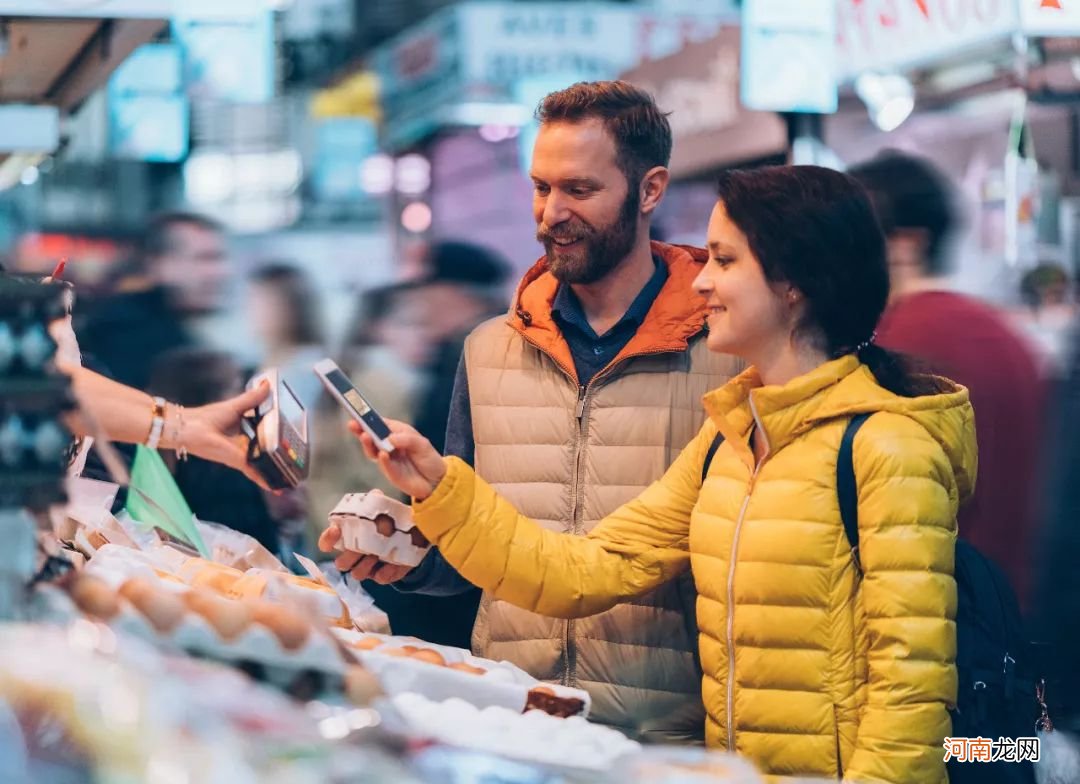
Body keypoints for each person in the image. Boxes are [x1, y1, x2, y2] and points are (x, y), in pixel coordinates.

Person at [348, 165, 973, 783]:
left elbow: (909, 691)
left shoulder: (888, 447)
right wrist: (439, 486)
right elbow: (583, 571)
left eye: (725, 261)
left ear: (794, 284)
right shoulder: (727, 439)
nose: (700, 281)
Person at [325, 80, 744, 744]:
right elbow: (472, 542)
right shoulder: (488, 349)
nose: (552, 213)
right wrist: (411, 561)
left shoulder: (726, 353)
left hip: (664, 739)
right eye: (541, 188)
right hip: (514, 723)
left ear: (650, 190)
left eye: (579, 190)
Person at [849, 151, 1046, 609]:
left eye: (851, 237)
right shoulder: (1006, 335)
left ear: (905, 244)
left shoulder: (895, 345)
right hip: (1015, 622)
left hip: (940, 620)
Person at [76, 211, 229, 390]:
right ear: (160, 264)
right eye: (205, 258)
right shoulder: (126, 336)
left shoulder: (174, 329)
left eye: (221, 259)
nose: (222, 272)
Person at [247, 263, 326, 409]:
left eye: (263, 303)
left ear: (292, 307)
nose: (252, 312)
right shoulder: (271, 362)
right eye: (251, 301)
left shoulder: (307, 368)